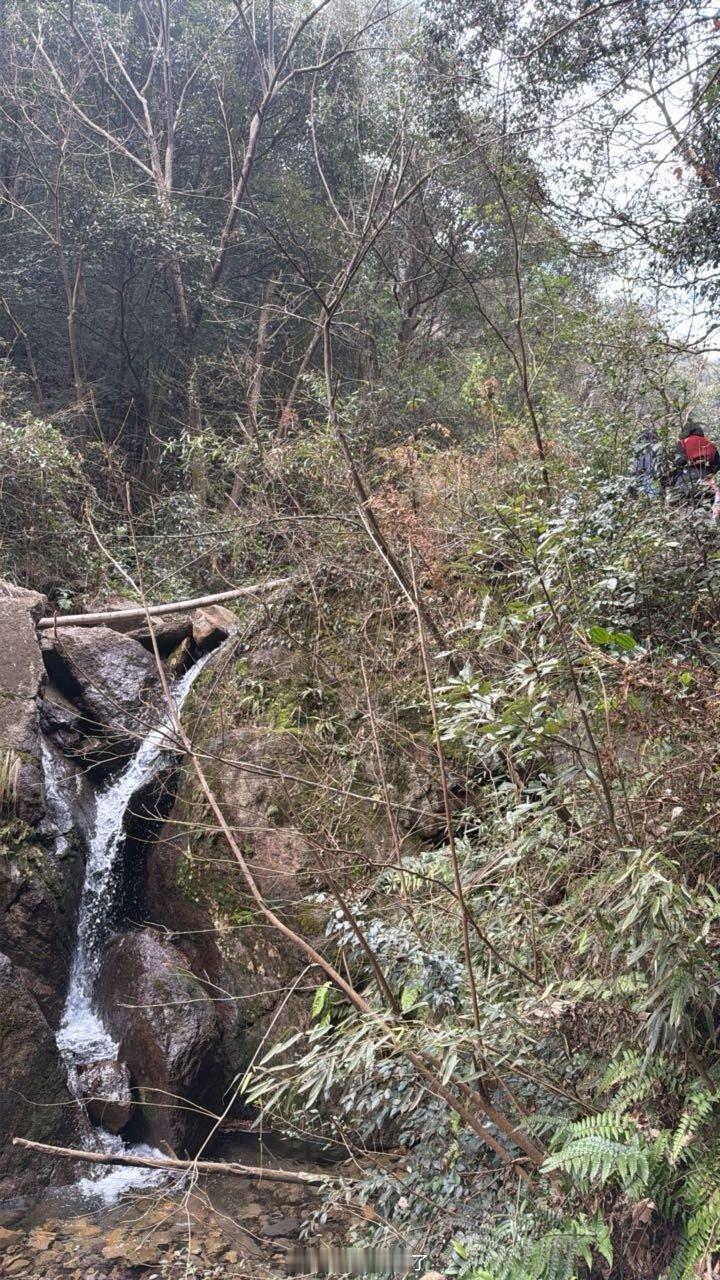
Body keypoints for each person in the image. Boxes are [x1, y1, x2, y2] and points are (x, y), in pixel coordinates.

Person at [631, 426, 661, 496]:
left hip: (651, 477)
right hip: (647, 477)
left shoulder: (656, 448)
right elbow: (637, 467)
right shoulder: (639, 448)